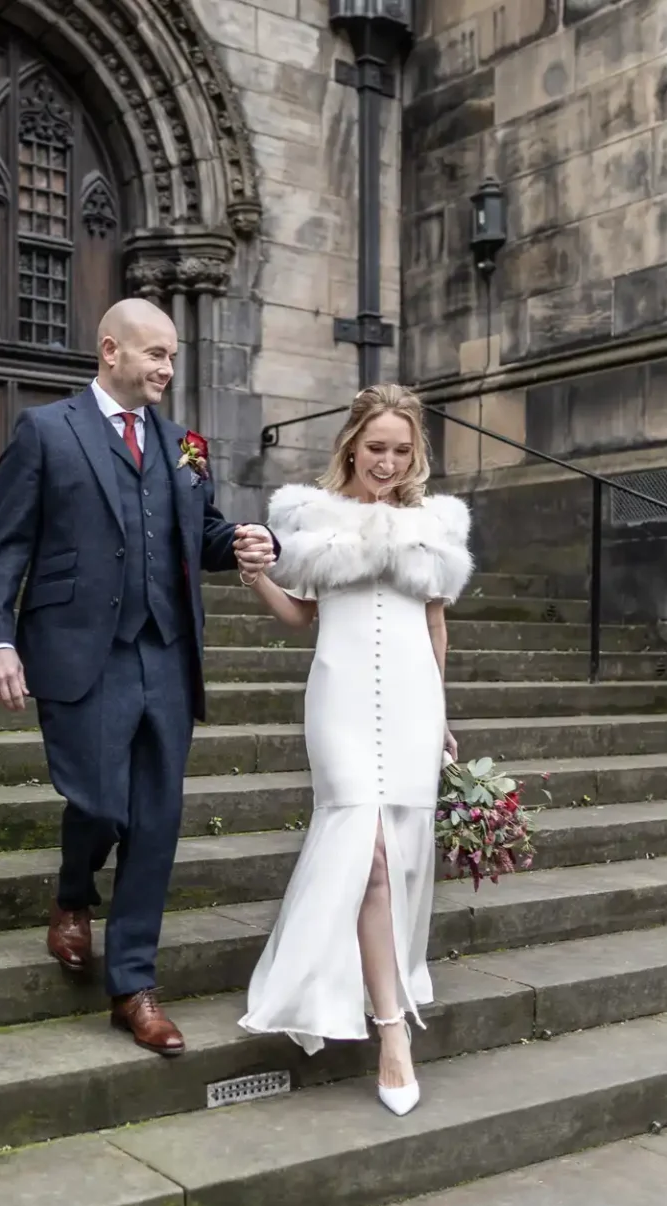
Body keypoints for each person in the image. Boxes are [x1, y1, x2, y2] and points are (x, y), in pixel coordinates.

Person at [0, 298, 277, 1056]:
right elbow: (5, 545)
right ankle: (73, 896)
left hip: (165, 653)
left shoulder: (186, 445)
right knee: (101, 804)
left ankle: (133, 986)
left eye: (172, 356)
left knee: (157, 820)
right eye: (155, 355)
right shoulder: (47, 431)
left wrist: (240, 539)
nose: (168, 369)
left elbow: (198, 533)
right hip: (81, 649)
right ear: (111, 350)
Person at [235, 384, 472, 1116]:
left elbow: (435, 625)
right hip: (338, 700)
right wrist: (257, 576)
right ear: (351, 444)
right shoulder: (309, 516)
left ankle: (383, 1004)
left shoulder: (435, 523)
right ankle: (392, 1033)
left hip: (410, 700)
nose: (389, 463)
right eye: (377, 449)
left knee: (395, 859)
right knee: (365, 852)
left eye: (402, 451)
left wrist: (442, 718)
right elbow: (301, 616)